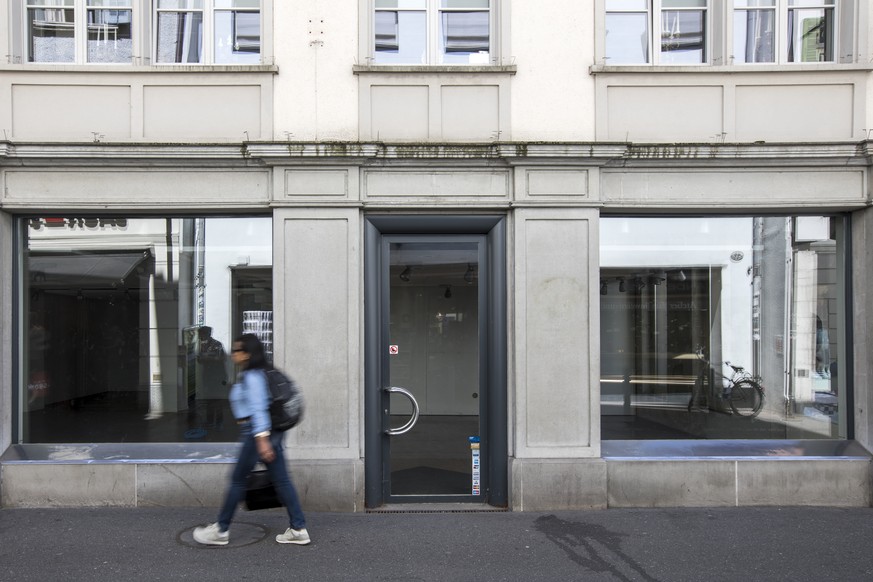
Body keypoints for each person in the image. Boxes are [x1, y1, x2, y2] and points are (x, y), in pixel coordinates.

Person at [193, 333, 310, 546]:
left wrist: (262, 440)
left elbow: (258, 409)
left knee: (238, 480)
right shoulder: (260, 372)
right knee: (282, 480)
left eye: (236, 350)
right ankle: (298, 528)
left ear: (247, 354)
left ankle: (220, 529)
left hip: (257, 434)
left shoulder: (253, 377)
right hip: (269, 433)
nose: (232, 354)